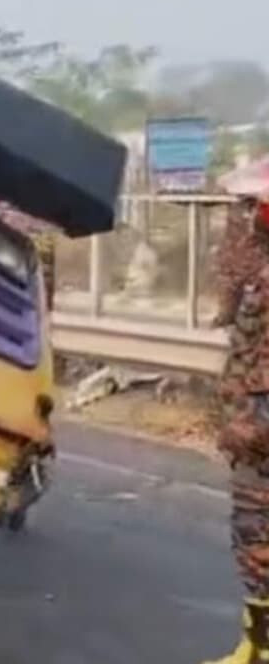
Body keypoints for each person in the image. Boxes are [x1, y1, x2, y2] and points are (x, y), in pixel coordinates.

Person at [204, 192, 269, 663]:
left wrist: (246, 429)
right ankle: (255, 645)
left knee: (258, 544)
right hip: (252, 436)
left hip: (260, 443)